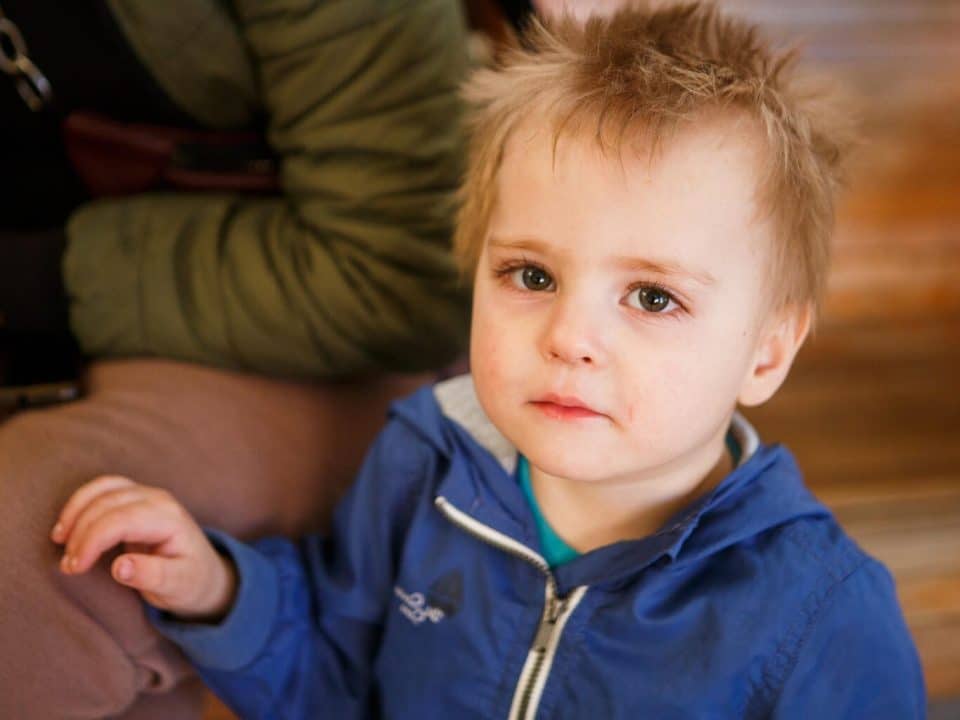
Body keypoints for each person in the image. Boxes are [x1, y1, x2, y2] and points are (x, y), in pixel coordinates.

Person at [52, 4, 925, 718]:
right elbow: (336, 685)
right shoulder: (422, 463)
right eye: (531, 275)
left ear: (766, 352)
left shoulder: (820, 617)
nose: (568, 336)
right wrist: (220, 592)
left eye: (652, 297)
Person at [0, 1, 471, 717]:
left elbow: (396, 273)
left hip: (300, 333)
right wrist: (219, 593)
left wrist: (32, 279)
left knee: (35, 552)